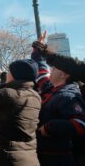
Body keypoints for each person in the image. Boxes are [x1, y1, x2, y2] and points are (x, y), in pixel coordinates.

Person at [31, 32, 85, 166]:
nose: (51, 70)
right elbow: (42, 70)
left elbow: (79, 124)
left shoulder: (69, 95)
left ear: (64, 74)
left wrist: (49, 128)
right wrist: (37, 51)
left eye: (54, 68)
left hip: (59, 158)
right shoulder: (49, 88)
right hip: (43, 154)